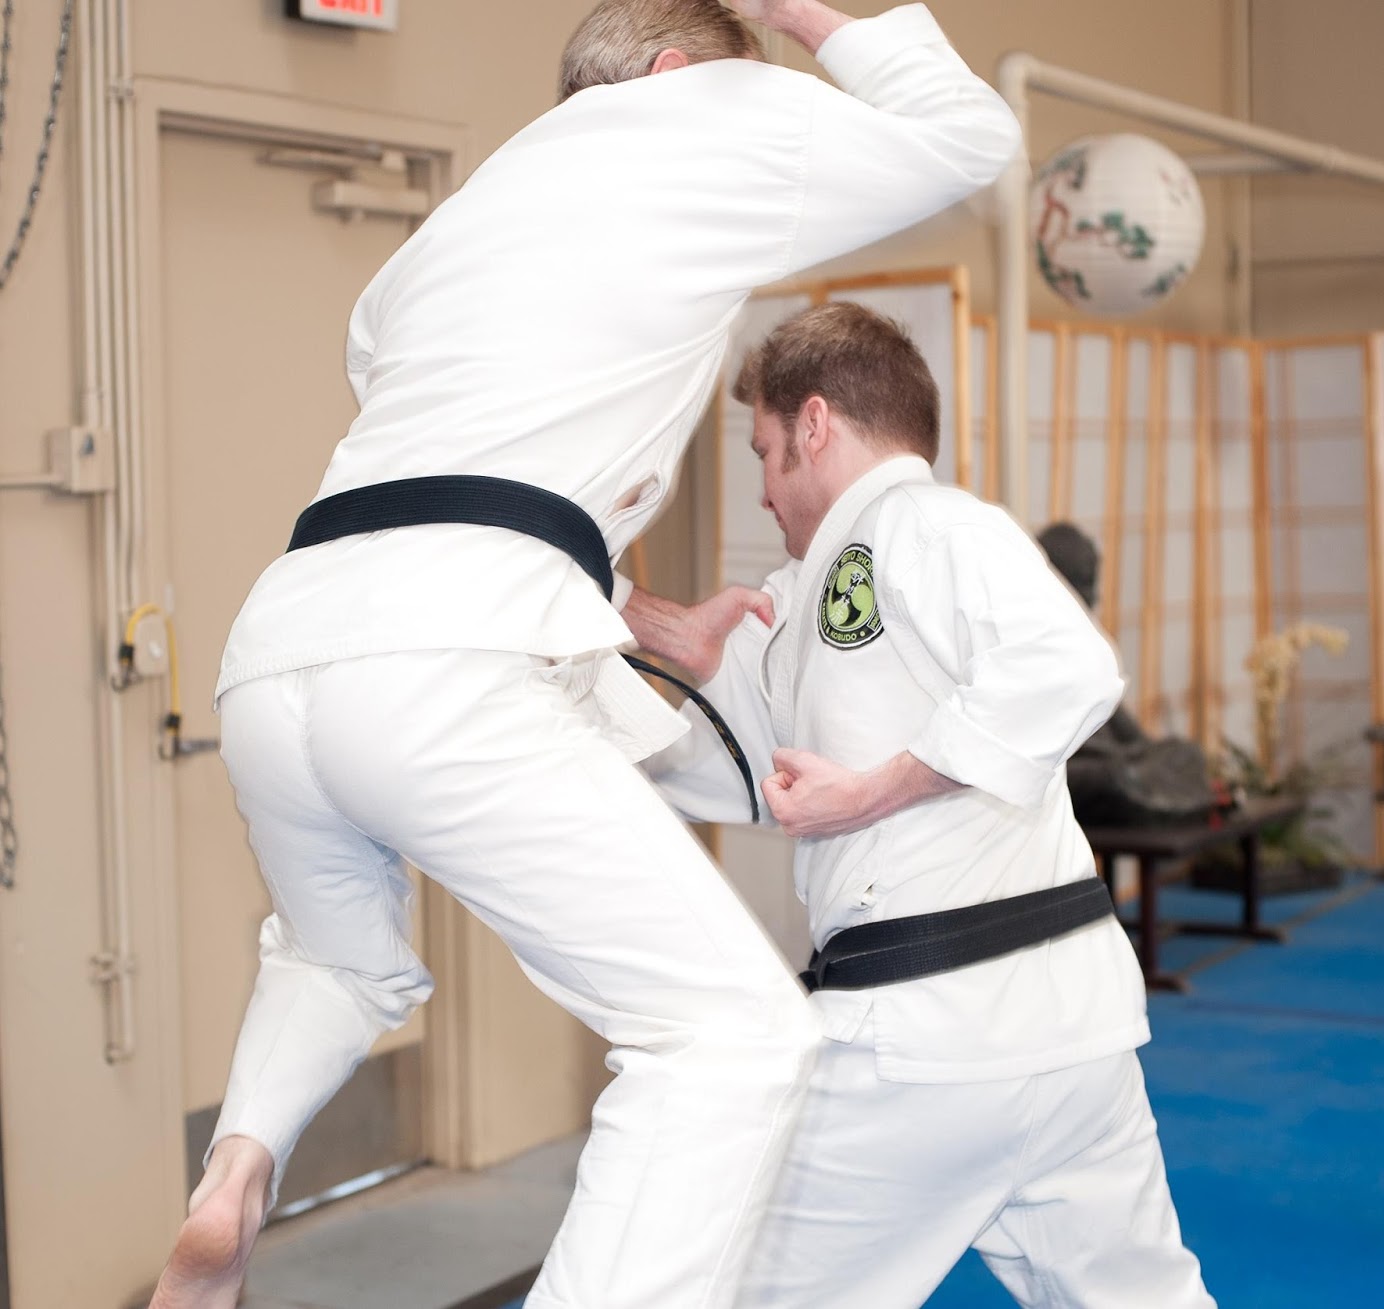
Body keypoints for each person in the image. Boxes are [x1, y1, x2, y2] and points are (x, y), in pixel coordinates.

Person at [149, 3, 1022, 1306]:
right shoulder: (698, 115)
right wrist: (796, 16)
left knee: (338, 956)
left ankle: (240, 1167)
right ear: (679, 73)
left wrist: (641, 618)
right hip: (450, 663)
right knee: (725, 1037)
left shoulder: (449, 232)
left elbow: (476, 450)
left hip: (284, 652)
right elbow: (968, 135)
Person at [633, 302, 1215, 1308]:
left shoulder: (928, 523)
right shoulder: (802, 597)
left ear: (815, 425)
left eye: (765, 451)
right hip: (1068, 1031)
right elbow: (756, 776)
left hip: (928, 1035)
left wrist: (875, 789)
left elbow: (1068, 667)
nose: (765, 488)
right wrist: (652, 644)